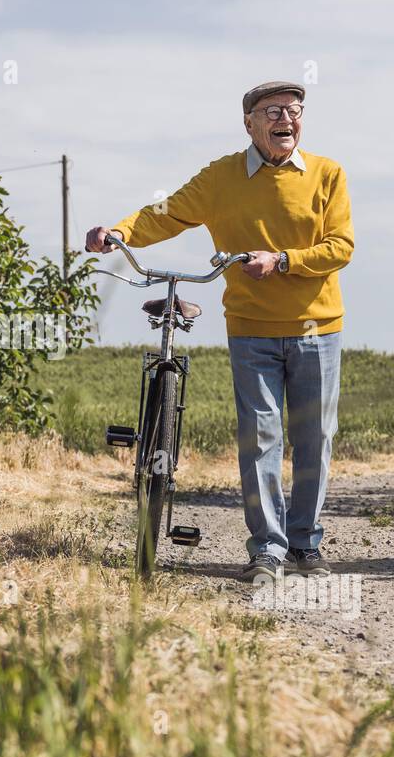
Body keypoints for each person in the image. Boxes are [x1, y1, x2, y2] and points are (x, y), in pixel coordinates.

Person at [85, 80, 353, 581]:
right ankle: (268, 550)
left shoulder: (327, 174)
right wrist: (119, 230)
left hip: (318, 327)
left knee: (314, 435)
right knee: (260, 436)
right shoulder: (222, 177)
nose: (285, 119)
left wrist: (282, 261)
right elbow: (166, 214)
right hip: (251, 329)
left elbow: (341, 246)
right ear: (249, 123)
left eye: (294, 110)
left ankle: (306, 544)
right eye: (272, 111)